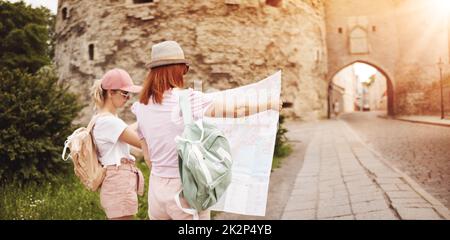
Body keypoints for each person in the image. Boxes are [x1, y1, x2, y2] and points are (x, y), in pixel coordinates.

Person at [132, 40, 281, 220]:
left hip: (156, 191)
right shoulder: (187, 99)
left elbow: (148, 156)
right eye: (184, 69)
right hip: (186, 190)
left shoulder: (140, 106)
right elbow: (236, 110)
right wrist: (269, 104)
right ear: (177, 70)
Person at [90, 68, 144, 220]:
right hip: (118, 183)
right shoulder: (109, 122)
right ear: (110, 92)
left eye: (129, 94)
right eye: (124, 93)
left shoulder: (104, 119)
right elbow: (141, 143)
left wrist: (145, 121)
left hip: (116, 181)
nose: (128, 97)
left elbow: (127, 130)